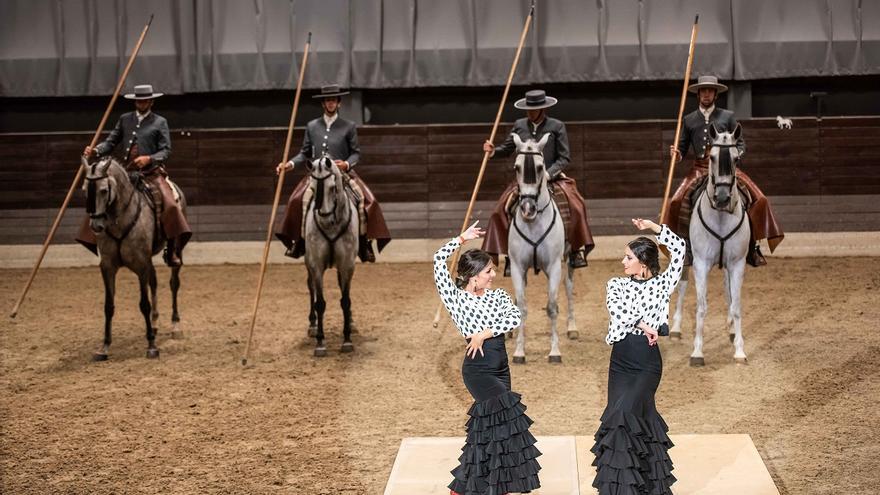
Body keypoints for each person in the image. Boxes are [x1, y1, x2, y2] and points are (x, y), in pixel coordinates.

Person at [434, 221, 542, 495]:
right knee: (507, 417)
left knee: (490, 429)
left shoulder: (499, 296)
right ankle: (486, 483)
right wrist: (460, 239)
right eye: (488, 271)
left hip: (501, 367)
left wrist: (485, 332)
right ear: (473, 276)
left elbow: (515, 317)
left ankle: (481, 485)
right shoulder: (455, 298)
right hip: (478, 370)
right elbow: (438, 260)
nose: (493, 274)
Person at [590, 217, 684, 495]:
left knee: (625, 414)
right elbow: (617, 312)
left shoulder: (664, 283)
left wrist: (655, 228)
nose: (623, 261)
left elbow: (679, 249)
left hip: (647, 363)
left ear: (643, 262)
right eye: (624, 256)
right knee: (626, 417)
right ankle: (630, 487)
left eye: (628, 257)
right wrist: (645, 325)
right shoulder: (615, 284)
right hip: (621, 361)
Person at [664, 75, 784, 266]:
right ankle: (685, 248)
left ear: (715, 94)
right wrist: (677, 154)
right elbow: (683, 148)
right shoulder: (688, 119)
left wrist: (735, 154)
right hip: (700, 168)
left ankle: (752, 247)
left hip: (726, 168)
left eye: (710, 91)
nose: (706, 94)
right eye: (703, 91)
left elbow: (741, 142)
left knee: (760, 199)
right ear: (698, 94)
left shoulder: (727, 116)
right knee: (676, 201)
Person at [481, 89, 594, 277]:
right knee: (498, 211)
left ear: (543, 109)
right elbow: (508, 148)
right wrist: (493, 151)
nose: (530, 112)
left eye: (534, 109)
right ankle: (510, 255)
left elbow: (564, 157)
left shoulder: (557, 126)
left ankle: (574, 251)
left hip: (552, 177)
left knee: (576, 206)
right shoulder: (519, 125)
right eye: (528, 109)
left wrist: (549, 174)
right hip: (526, 181)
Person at [78, 84, 191, 266]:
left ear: (151, 101)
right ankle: (96, 239)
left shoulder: (160, 122)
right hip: (127, 173)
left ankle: (171, 250)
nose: (141, 102)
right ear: (135, 101)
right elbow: (111, 141)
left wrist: (149, 158)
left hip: (151, 173)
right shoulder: (125, 119)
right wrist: (96, 150)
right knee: (100, 194)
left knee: (171, 203)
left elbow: (166, 150)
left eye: (145, 100)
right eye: (139, 100)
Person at [276, 84, 390, 262]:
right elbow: (305, 153)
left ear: (339, 103)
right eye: (327, 100)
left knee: (365, 201)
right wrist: (289, 164)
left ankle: (364, 242)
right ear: (323, 103)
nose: (330, 103)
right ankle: (298, 242)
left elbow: (355, 153)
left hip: (342, 173)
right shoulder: (312, 126)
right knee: (297, 200)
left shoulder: (349, 126)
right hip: (316, 173)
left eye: (334, 100)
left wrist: (346, 164)